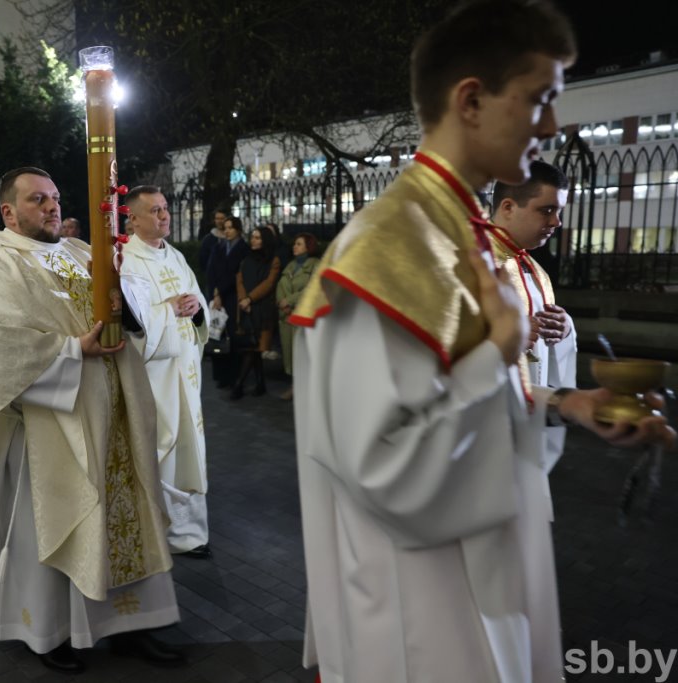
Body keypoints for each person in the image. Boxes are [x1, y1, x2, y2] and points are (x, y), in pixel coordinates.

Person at [289, 2, 676, 682]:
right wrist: (499, 349)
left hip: (475, 568)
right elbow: (380, 464)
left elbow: (452, 398)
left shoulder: (455, 233)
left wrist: (564, 403)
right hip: (421, 605)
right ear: (471, 99)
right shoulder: (388, 248)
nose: (553, 125)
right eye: (540, 99)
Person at [0, 167, 184, 675]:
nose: (52, 207)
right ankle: (46, 630)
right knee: (47, 529)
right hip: (42, 425)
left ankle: (131, 626)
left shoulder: (84, 254)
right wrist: (68, 351)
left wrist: (127, 294)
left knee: (123, 518)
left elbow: (134, 312)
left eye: (55, 198)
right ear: (9, 212)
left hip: (113, 413)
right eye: (38, 200)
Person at [120, 185, 212, 558]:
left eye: (165, 209)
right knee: (164, 448)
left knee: (190, 447)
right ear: (133, 218)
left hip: (185, 371)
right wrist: (168, 310)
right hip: (154, 374)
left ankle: (190, 530)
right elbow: (130, 322)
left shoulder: (174, 256)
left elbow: (195, 297)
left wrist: (196, 306)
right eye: (155, 211)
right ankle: (164, 532)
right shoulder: (125, 260)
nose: (164, 216)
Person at [488, 159, 577, 464]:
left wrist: (565, 331)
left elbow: (542, 353)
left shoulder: (535, 270)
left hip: (526, 414)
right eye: (547, 210)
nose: (556, 222)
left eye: (559, 212)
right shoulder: (468, 262)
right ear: (509, 207)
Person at [231, 226, 281, 399]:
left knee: (253, 350)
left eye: (258, 238)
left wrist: (250, 299)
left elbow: (269, 284)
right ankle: (260, 385)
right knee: (253, 349)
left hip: (263, 311)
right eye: (252, 237)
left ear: (265, 240)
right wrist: (244, 299)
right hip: (247, 309)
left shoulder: (273, 261)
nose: (254, 240)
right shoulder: (246, 260)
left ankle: (238, 384)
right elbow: (240, 280)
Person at [205, 216, 250, 389]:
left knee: (232, 336)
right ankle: (220, 375)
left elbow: (236, 275)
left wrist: (220, 292)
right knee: (217, 334)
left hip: (231, 297)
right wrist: (215, 292)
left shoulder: (243, 249)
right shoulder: (218, 247)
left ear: (238, 229)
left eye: (231, 227)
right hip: (218, 297)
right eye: (225, 227)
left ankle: (233, 375)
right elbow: (211, 270)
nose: (227, 230)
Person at [276, 233, 320, 400]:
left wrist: (290, 301)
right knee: (291, 352)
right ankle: (295, 385)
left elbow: (313, 289)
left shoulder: (315, 265)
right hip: (287, 316)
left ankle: (305, 388)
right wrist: (282, 303)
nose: (295, 246)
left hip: (302, 315)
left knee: (305, 353)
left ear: (309, 246)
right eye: (295, 243)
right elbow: (280, 286)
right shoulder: (290, 266)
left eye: (299, 244)